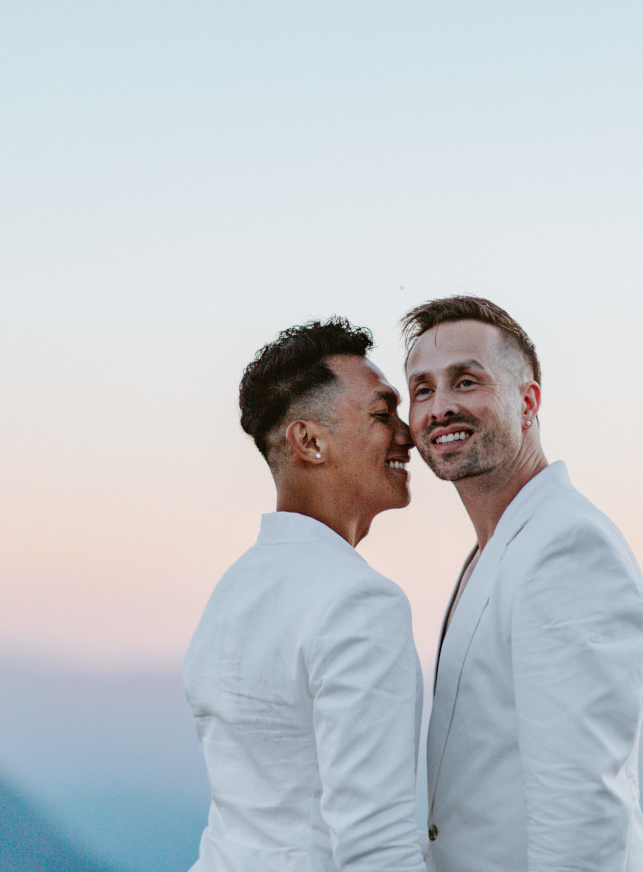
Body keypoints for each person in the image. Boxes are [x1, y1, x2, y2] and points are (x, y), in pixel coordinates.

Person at [401, 296, 643, 872]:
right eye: (422, 390)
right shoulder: (497, 547)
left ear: (528, 402)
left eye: (466, 381)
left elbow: (582, 807)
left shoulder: (566, 548)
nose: (440, 408)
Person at [183, 317, 427, 872]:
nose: (406, 432)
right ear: (310, 442)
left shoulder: (231, 592)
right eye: (381, 413)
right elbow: (376, 850)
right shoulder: (359, 603)